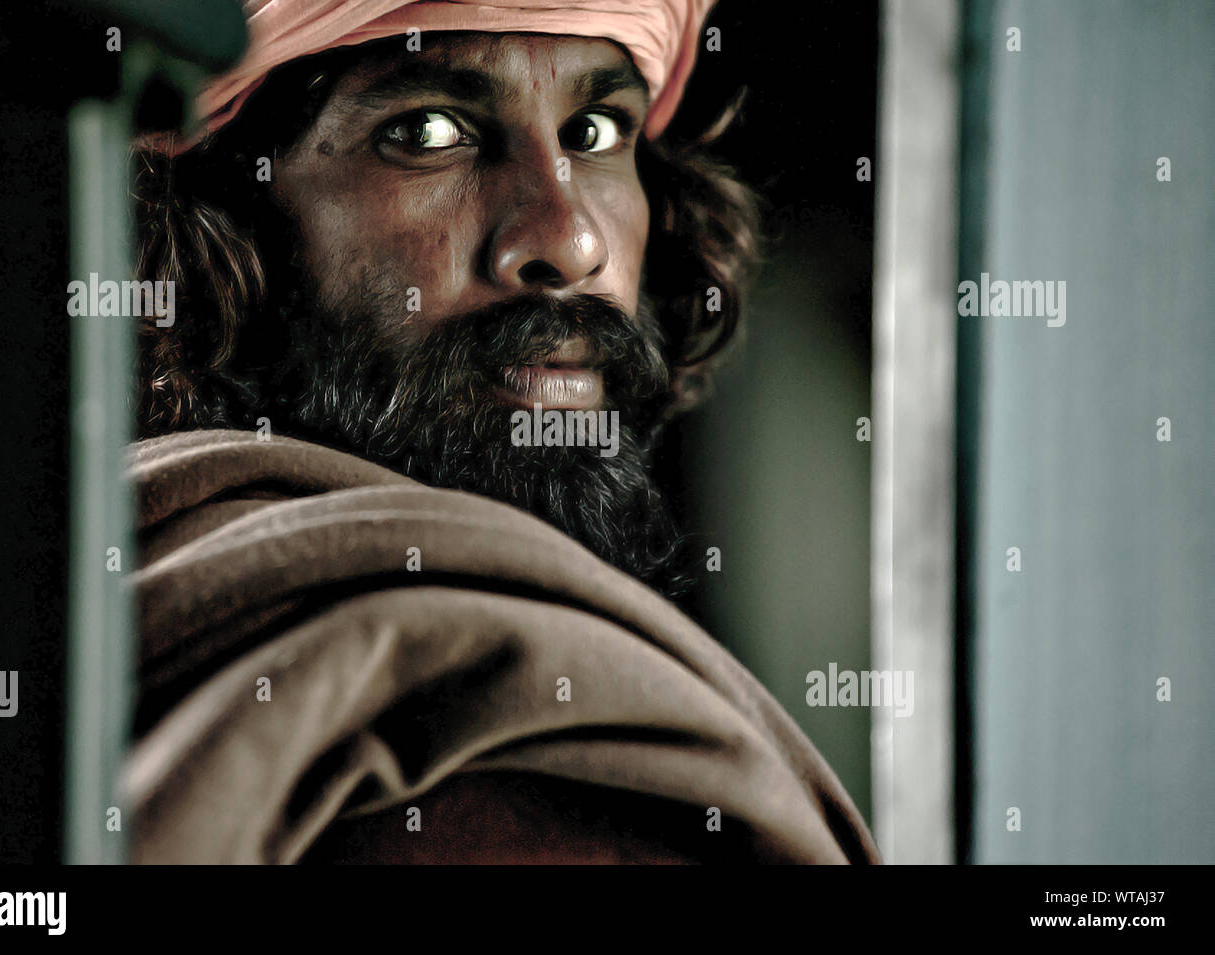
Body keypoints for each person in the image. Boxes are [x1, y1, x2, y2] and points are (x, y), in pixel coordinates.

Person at [127, 0, 880, 864]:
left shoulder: (115, 576)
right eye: (429, 131)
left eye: (596, 131)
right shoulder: (538, 795)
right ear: (221, 213)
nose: (569, 238)